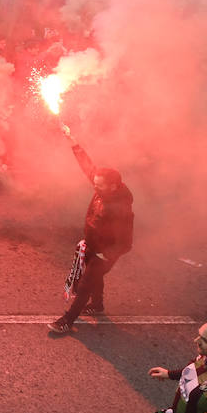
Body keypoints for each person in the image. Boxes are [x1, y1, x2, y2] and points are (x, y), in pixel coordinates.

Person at [49, 126, 134, 334]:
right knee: (94, 278)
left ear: (114, 186)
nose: (95, 187)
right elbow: (88, 167)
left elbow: (126, 243)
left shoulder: (121, 209)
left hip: (104, 252)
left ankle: (67, 320)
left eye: (100, 186)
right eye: (95, 183)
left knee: (86, 282)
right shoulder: (103, 186)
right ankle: (97, 305)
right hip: (92, 244)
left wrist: (106, 255)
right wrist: (74, 144)